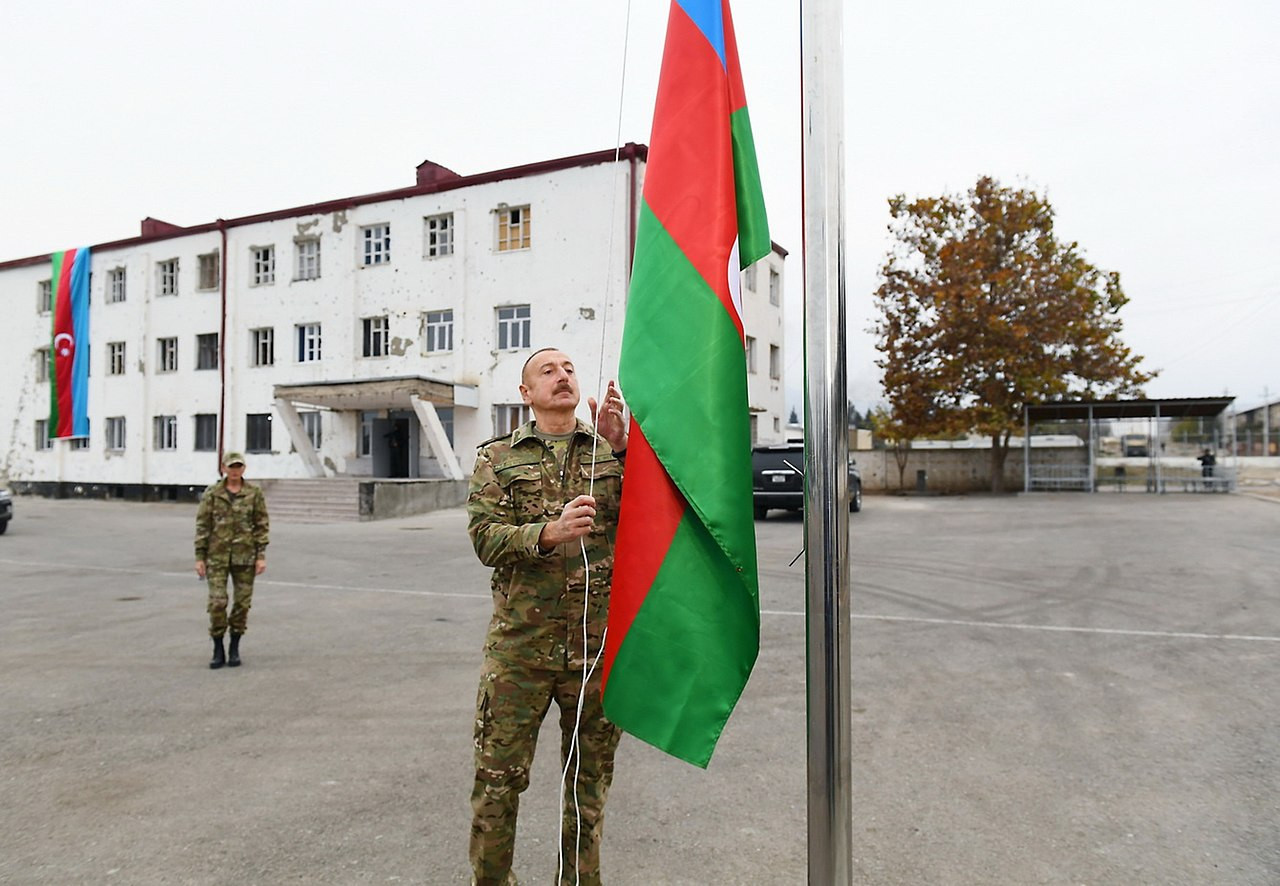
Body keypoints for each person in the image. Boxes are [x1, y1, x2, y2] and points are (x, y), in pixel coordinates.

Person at [466, 348, 628, 886]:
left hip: (594, 652)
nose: (562, 376)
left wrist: (624, 451)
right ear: (526, 393)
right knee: (497, 785)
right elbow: (486, 540)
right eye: (547, 371)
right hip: (520, 654)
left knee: (587, 788)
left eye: (568, 369)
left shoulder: (608, 453)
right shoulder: (497, 458)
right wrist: (548, 533)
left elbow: (648, 527)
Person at [194, 451, 269, 669]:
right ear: (224, 468)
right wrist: (200, 557)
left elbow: (261, 524)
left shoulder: (253, 493)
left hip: (245, 557)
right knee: (218, 602)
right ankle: (218, 647)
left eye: (238, 467)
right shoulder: (212, 494)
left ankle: (234, 646)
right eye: (231, 467)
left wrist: (261, 556)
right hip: (216, 557)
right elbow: (203, 526)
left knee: (242, 604)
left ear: (243, 469)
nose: (235, 471)